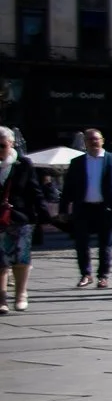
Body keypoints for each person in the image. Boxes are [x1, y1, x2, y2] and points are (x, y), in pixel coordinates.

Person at [58, 128, 112, 288]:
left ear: (102, 140)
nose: (93, 142)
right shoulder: (77, 162)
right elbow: (68, 188)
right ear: (85, 142)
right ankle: (86, 274)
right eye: (89, 140)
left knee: (106, 244)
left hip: (105, 208)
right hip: (83, 208)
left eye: (96, 139)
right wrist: (63, 210)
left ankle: (103, 276)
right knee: (81, 243)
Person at [0, 127, 38, 312]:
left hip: (19, 217)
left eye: (2, 145)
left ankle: (21, 293)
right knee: (1, 260)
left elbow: (33, 191)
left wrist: (42, 215)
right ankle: (2, 299)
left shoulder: (23, 163)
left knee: (21, 258)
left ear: (12, 144)